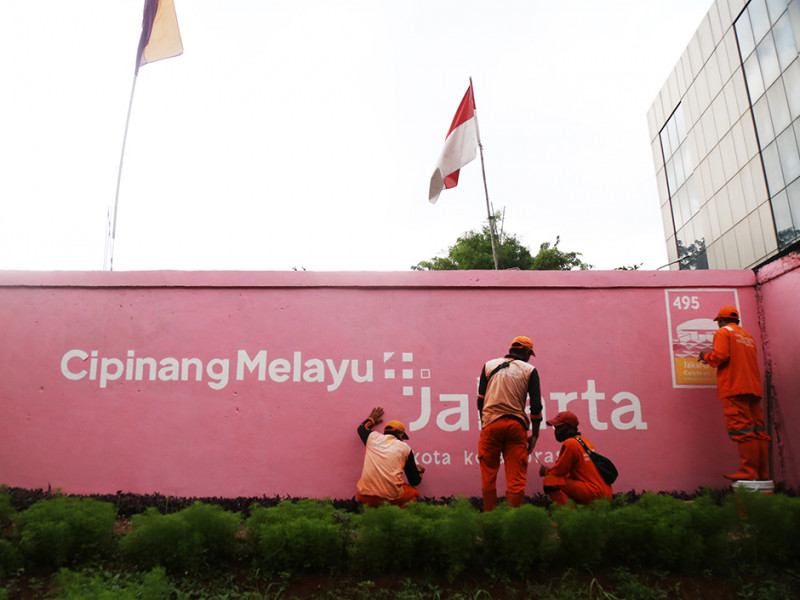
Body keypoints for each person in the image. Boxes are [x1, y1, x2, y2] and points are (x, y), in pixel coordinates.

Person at [698, 306, 770, 481]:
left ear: (721, 321)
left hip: (734, 388)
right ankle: (762, 473)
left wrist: (706, 356)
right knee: (758, 432)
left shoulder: (723, 332)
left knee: (743, 431)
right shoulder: (747, 336)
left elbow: (720, 356)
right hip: (753, 389)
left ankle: (748, 471)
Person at [477, 335, 543, 511]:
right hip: (516, 426)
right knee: (516, 477)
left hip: (491, 424)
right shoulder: (530, 370)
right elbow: (536, 406)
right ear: (527, 352)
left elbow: (480, 401)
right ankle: (514, 519)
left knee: (488, 475)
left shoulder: (489, 365)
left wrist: (484, 425)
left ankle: (490, 517)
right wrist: (535, 435)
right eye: (530, 354)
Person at [538, 411, 613, 506]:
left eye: (559, 427)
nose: (556, 430)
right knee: (565, 479)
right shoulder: (584, 441)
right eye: (555, 427)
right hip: (606, 493)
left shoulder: (570, 443)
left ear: (570, 427)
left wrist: (546, 471)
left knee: (550, 481)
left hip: (594, 493)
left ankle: (570, 513)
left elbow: (559, 471)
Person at [356, 406, 425, 507]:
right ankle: (394, 513)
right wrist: (420, 471)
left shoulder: (372, 438)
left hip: (364, 496)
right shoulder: (405, 448)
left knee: (370, 495)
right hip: (390, 498)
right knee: (415, 494)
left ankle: (372, 510)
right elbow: (414, 481)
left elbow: (361, 428)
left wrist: (372, 419)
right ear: (401, 435)